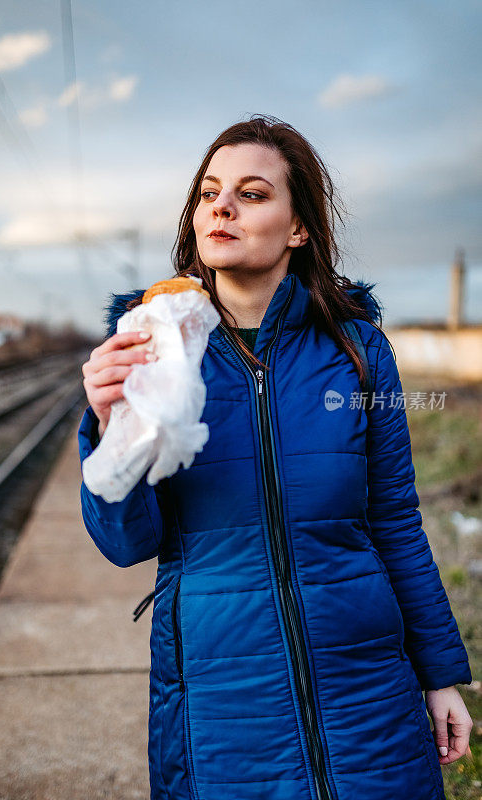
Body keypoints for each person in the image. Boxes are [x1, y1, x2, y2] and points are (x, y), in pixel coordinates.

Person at [78, 115, 473, 800]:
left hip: (368, 689)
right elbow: (127, 542)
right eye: (208, 193)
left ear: (298, 229)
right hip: (218, 698)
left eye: (252, 194)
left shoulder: (355, 353)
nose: (221, 207)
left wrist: (438, 675)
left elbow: (394, 521)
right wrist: (111, 425)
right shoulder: (152, 352)